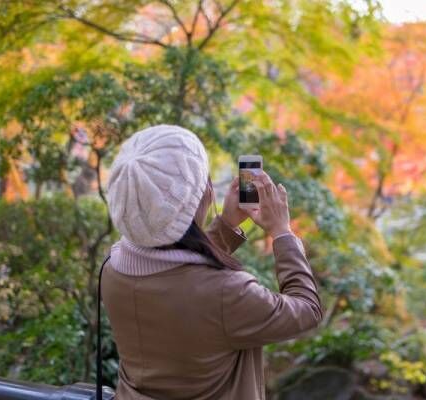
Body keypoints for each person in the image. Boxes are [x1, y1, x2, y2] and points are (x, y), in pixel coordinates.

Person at [102, 125, 322, 400]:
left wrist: (227, 225)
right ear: (198, 199)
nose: (208, 190)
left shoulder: (112, 269)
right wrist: (282, 233)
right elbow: (307, 310)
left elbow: (179, 279)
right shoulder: (227, 291)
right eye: (204, 182)